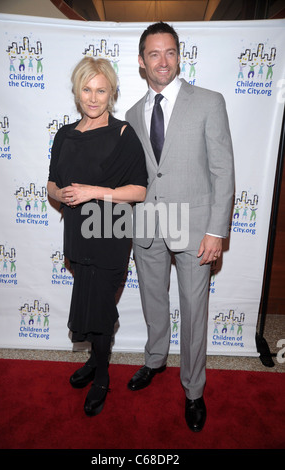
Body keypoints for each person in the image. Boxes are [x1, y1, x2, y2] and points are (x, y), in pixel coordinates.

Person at [125, 22, 234, 432]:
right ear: (141, 61)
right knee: (154, 301)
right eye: (153, 54)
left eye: (169, 52)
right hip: (148, 226)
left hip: (195, 229)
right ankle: (154, 360)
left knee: (193, 311)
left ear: (179, 55)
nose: (162, 61)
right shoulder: (133, 114)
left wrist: (216, 230)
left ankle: (193, 390)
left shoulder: (209, 101)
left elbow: (223, 171)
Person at [47, 57, 147, 417]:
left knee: (101, 306)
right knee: (89, 302)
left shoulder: (123, 134)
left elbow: (138, 191)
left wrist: (92, 191)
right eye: (87, 89)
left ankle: (102, 376)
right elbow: (51, 184)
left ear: (112, 93)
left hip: (111, 232)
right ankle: (93, 361)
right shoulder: (64, 135)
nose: (93, 97)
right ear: (77, 91)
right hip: (77, 232)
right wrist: (64, 195)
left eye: (101, 90)